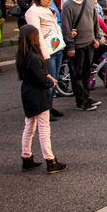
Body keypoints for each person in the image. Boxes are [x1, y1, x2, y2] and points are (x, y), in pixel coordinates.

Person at [16, 25, 67, 174]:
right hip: (38, 94)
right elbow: (41, 79)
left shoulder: (22, 54)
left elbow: (33, 75)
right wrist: (50, 81)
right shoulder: (34, 56)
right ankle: (50, 160)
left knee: (29, 126)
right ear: (33, 38)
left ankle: (26, 157)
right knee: (44, 128)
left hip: (27, 93)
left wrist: (46, 77)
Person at [61, 0, 103, 111]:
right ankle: (80, 101)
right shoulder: (67, 5)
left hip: (89, 43)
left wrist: (97, 37)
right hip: (77, 45)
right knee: (76, 74)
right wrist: (70, 45)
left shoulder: (89, 3)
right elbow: (66, 27)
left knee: (87, 72)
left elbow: (95, 21)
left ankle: (87, 96)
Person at [25, 0, 65, 120]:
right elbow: (37, 35)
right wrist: (44, 54)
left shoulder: (48, 8)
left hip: (57, 48)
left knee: (54, 80)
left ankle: (50, 106)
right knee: (48, 80)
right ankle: (44, 110)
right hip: (47, 51)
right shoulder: (33, 11)